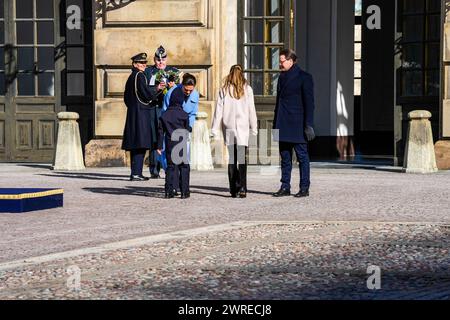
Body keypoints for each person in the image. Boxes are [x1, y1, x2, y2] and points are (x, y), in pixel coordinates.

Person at [272, 48, 316, 198]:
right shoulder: (281, 78)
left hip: (298, 124)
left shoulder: (304, 77)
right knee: (285, 157)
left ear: (291, 61)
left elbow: (309, 103)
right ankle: (285, 186)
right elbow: (279, 102)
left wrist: (308, 124)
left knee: (302, 157)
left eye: (282, 61)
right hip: (283, 123)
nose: (280, 64)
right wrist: (275, 125)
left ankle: (304, 187)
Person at [211, 65, 258, 198]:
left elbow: (218, 111)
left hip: (230, 128)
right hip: (242, 128)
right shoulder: (247, 89)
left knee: (232, 159)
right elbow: (251, 110)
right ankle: (242, 187)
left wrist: (214, 128)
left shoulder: (224, 90)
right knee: (242, 159)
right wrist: (254, 127)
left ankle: (233, 188)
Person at [122, 52, 159, 181]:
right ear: (135, 64)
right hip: (141, 113)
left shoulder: (131, 76)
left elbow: (126, 98)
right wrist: (158, 88)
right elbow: (147, 94)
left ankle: (135, 172)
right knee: (140, 144)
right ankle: (136, 173)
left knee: (135, 144)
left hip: (133, 112)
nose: (144, 65)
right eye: (141, 63)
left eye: (144, 63)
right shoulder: (140, 76)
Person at [145, 45, 180, 179]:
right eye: (158, 60)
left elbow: (181, 91)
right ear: (154, 59)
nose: (160, 62)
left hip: (169, 110)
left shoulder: (173, 72)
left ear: (166, 59)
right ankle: (154, 169)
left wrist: (173, 87)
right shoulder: (149, 72)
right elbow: (146, 90)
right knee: (155, 138)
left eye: (163, 59)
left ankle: (169, 168)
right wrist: (157, 87)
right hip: (155, 108)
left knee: (169, 138)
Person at [163, 73, 199, 194]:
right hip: (171, 129)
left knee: (183, 159)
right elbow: (165, 111)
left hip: (184, 128)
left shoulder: (195, 94)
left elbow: (193, 113)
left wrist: (188, 127)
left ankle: (181, 187)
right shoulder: (171, 93)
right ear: (181, 85)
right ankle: (173, 186)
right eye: (186, 89)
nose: (188, 92)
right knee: (171, 161)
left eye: (191, 90)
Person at [157, 87, 191, 199]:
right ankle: (184, 191)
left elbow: (160, 132)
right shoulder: (184, 115)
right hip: (181, 142)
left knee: (170, 167)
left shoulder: (164, 115)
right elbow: (187, 129)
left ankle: (168, 191)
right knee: (184, 166)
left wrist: (159, 146)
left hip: (170, 142)